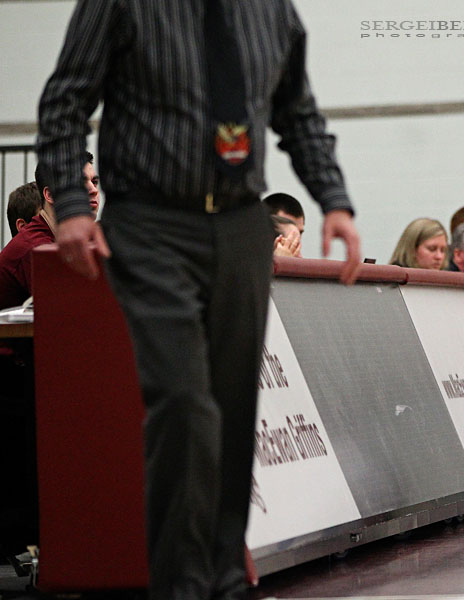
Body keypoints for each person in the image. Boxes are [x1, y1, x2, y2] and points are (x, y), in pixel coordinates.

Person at [36, 3, 361, 599]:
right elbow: (64, 102)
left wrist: (334, 199)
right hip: (151, 221)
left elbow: (298, 113)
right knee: (185, 402)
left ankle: (226, 580)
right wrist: (74, 206)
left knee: (232, 408)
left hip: (240, 223)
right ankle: (181, 587)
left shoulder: (270, 10)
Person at [0, 157, 98, 309]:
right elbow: (75, 310)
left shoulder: (66, 241)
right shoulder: (34, 248)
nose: (93, 190)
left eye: (94, 182)